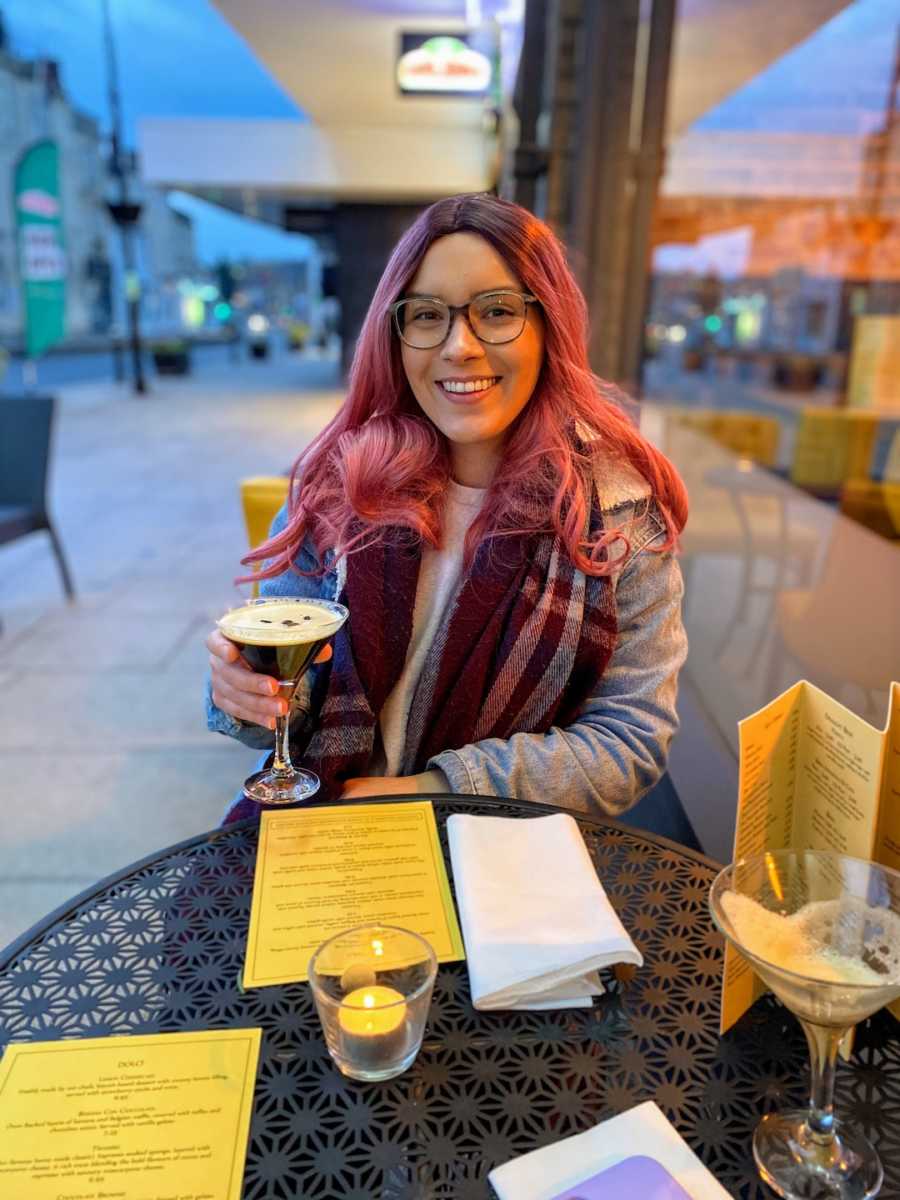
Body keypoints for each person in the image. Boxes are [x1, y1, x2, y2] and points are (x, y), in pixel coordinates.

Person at [207, 193, 688, 823]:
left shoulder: (617, 514)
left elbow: (630, 743)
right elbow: (283, 712)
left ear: (550, 327)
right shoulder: (336, 488)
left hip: (507, 853)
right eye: (428, 315)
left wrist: (429, 789)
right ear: (397, 334)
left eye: (496, 311)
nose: (460, 346)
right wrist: (244, 691)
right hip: (327, 837)